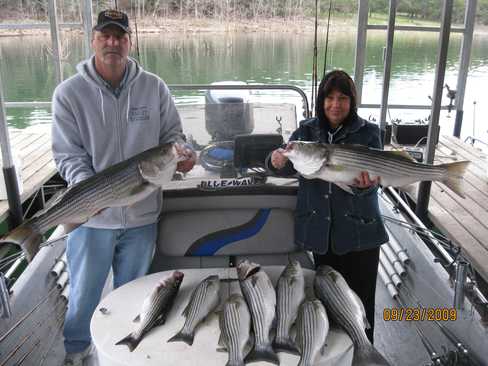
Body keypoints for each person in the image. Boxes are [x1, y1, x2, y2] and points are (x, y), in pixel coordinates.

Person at [51, 9, 196, 366]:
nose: (113, 42)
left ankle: (121, 354)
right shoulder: (68, 94)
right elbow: (67, 154)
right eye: (106, 35)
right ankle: (76, 353)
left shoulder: (154, 87)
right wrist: (89, 194)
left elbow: (173, 138)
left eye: (120, 36)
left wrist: (182, 155)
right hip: (91, 220)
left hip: (142, 217)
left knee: (132, 294)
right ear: (93, 39)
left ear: (129, 42)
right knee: (84, 295)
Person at [268, 69, 388, 343]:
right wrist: (275, 160)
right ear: (321, 100)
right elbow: (290, 165)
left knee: (361, 301)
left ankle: (364, 352)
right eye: (329, 97)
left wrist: (367, 186)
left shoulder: (369, 132)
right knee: (329, 301)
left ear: (352, 101)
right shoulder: (306, 131)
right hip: (322, 233)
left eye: (343, 98)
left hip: (362, 234)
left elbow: (376, 182)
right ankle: (334, 353)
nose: (335, 105)